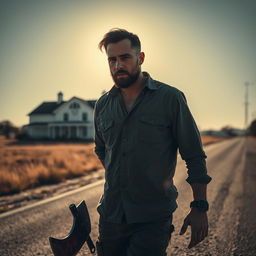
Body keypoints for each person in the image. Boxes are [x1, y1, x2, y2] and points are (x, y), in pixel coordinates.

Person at [93, 28, 212, 256]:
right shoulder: (102, 105)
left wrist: (200, 206)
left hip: (152, 217)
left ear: (140, 58)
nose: (118, 65)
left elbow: (194, 155)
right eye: (112, 59)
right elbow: (101, 149)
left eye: (125, 57)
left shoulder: (170, 99)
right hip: (111, 216)